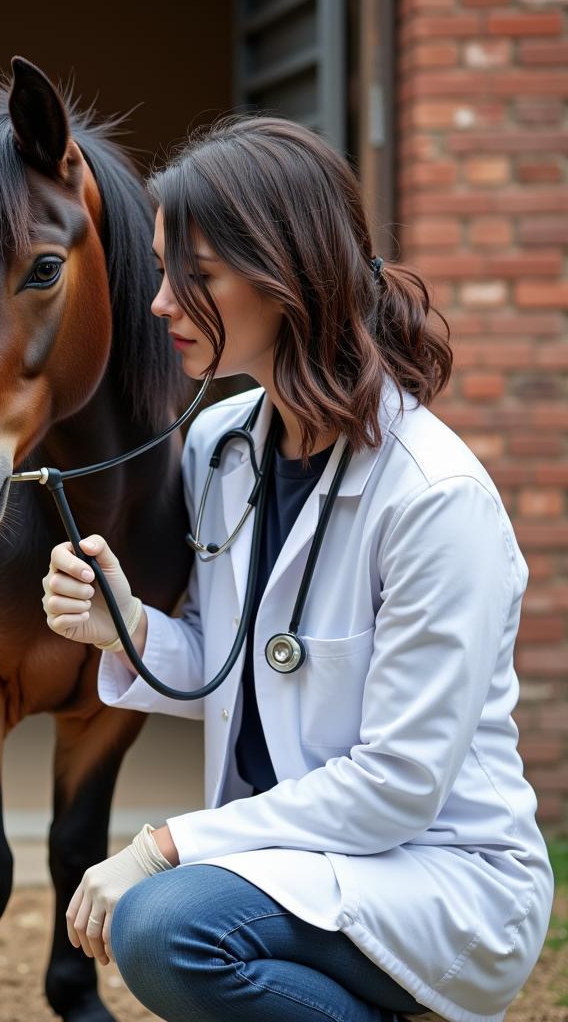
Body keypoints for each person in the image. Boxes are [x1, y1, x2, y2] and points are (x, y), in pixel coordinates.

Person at [40, 115, 554, 1022]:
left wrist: (164, 844)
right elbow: (243, 672)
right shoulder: (218, 444)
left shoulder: (435, 499)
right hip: (302, 862)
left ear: (288, 280)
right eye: (162, 272)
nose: (160, 304)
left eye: (193, 278)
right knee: (174, 925)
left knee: (167, 927)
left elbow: (397, 785)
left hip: (439, 877)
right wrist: (125, 623)